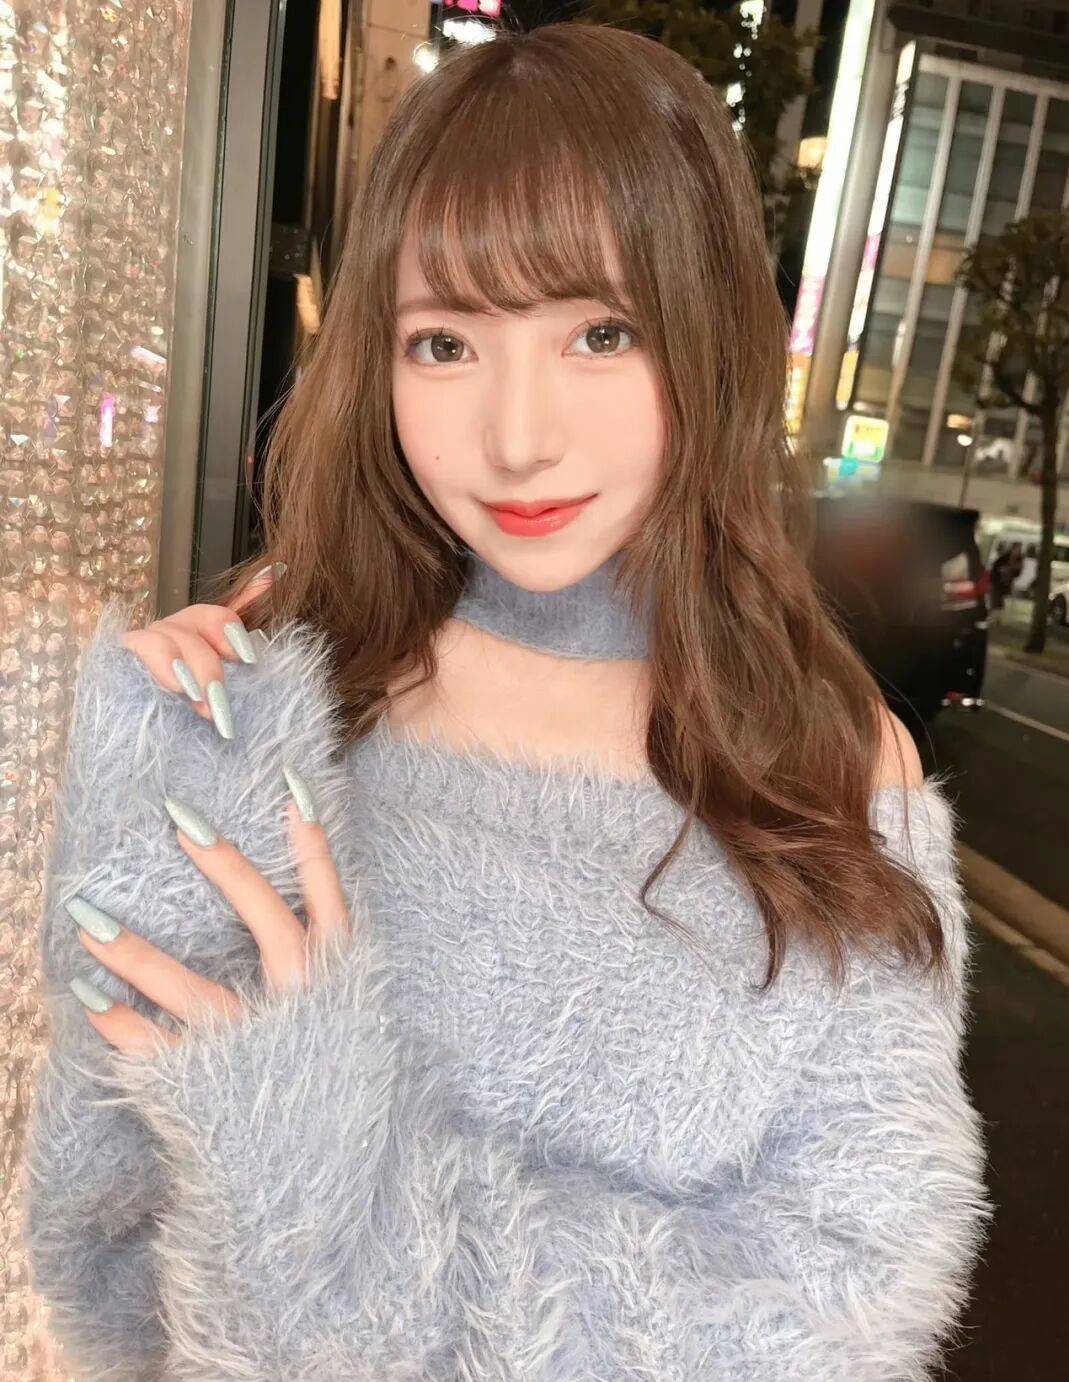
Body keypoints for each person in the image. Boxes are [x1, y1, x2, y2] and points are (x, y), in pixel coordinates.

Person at [22, 22, 993, 1381]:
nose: (518, 436)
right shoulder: (281, 701)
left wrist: (327, 1197)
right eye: (444, 343)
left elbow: (842, 1309)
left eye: (601, 332)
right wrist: (159, 771)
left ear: (710, 339)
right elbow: (101, 1268)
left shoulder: (831, 762)